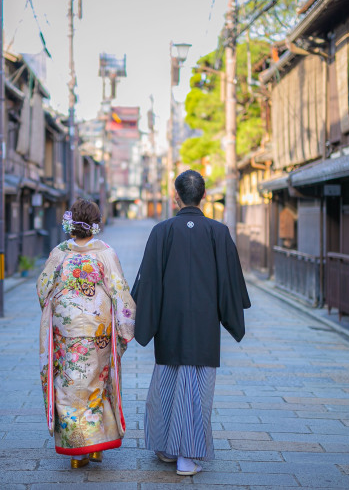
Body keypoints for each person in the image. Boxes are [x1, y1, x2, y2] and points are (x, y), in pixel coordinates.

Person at [131, 170, 251, 476]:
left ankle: (168, 449)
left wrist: (145, 320)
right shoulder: (218, 231)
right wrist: (232, 315)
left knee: (167, 384)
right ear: (205, 196)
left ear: (175, 196)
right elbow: (229, 283)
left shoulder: (161, 231)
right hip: (204, 326)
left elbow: (148, 282)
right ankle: (186, 456)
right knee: (195, 388)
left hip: (169, 324)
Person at [37, 199, 136, 469]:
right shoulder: (105, 253)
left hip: (66, 332)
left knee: (69, 386)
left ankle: (78, 452)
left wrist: (61, 306)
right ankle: (96, 446)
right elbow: (120, 291)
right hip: (98, 331)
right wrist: (125, 329)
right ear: (96, 224)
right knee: (97, 384)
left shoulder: (59, 252)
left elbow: (43, 287)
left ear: (70, 223)